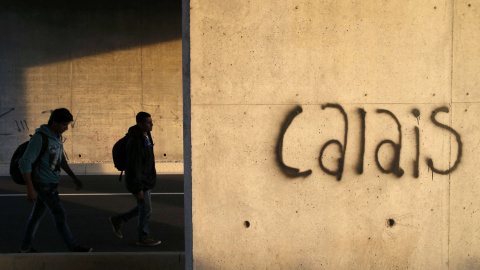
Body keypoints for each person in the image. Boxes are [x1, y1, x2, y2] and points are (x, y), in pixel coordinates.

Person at [18, 108, 92, 253]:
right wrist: (30, 188)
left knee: (36, 216)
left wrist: (73, 177)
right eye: (64, 124)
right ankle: (73, 247)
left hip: (51, 183)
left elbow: (61, 160)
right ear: (54, 122)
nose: (66, 128)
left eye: (68, 125)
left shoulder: (57, 137)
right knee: (59, 215)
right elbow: (25, 162)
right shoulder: (40, 138)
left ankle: (25, 247)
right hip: (43, 184)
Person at [109, 112, 160, 246]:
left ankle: (119, 219)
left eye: (151, 121)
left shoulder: (146, 135)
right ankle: (143, 236)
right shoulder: (135, 142)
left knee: (143, 207)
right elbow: (134, 166)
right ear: (140, 124)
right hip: (139, 181)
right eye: (149, 122)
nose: (152, 124)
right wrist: (138, 188)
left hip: (145, 179)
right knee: (146, 209)